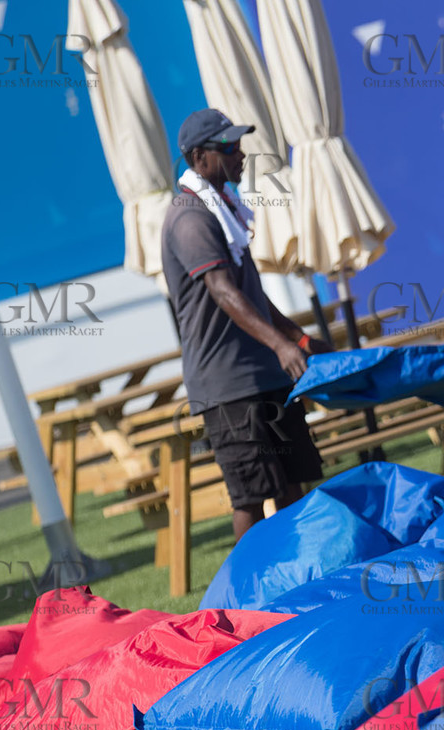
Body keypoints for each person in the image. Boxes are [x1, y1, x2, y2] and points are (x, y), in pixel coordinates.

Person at [161, 107, 331, 540]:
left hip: (264, 374)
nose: (241, 156)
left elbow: (252, 295)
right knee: (251, 499)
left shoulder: (224, 208)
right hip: (227, 386)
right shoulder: (189, 216)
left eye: (240, 146)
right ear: (200, 158)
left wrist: (299, 338)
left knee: (294, 483)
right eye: (230, 148)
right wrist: (280, 346)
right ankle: (245, 600)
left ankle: (303, 579)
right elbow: (222, 291)